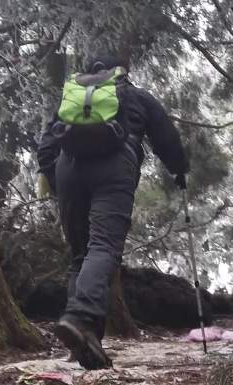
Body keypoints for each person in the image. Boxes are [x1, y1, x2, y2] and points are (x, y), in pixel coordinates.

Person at [36, 54, 189, 370]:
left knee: (80, 255)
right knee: (103, 247)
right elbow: (166, 137)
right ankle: (80, 318)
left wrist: (55, 178)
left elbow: (47, 143)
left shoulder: (73, 94)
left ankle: (84, 339)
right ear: (120, 73)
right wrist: (179, 170)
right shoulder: (134, 95)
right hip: (115, 165)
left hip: (68, 168)